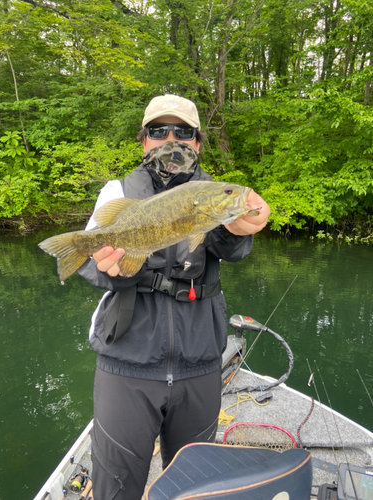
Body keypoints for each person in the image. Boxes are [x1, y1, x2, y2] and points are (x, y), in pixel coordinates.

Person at [78, 94, 270, 500]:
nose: (171, 139)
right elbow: (92, 266)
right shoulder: (118, 190)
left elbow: (233, 250)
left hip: (199, 360)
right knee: (114, 483)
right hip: (127, 360)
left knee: (194, 482)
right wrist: (109, 267)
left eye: (183, 132)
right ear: (143, 140)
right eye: (158, 130)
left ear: (197, 143)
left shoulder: (215, 194)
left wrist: (245, 224)